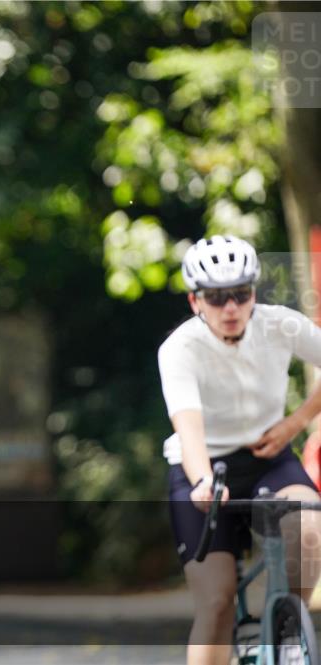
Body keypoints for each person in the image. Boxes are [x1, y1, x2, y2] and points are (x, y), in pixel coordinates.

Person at [159, 235, 321, 665]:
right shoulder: (179, 349)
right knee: (216, 602)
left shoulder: (280, 324)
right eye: (215, 298)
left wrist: (297, 421)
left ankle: (287, 631)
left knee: (309, 527)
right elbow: (188, 428)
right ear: (195, 301)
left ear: (253, 293)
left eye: (240, 294)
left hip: (269, 457)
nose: (229, 307)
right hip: (202, 468)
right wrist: (202, 479)